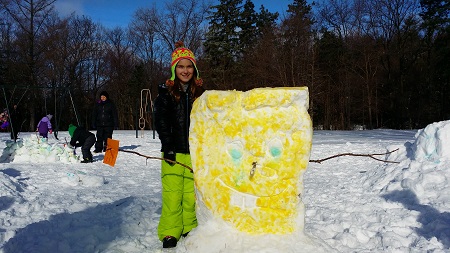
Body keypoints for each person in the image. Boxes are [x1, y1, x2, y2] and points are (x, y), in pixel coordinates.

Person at [154, 41, 205, 248]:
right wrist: (168, 147)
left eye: (189, 66)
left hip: (194, 153)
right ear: (175, 69)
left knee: (190, 196)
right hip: (173, 152)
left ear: (195, 69)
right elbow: (162, 123)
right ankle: (170, 231)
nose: (185, 70)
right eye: (181, 66)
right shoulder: (166, 94)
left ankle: (189, 228)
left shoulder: (201, 95)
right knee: (173, 194)